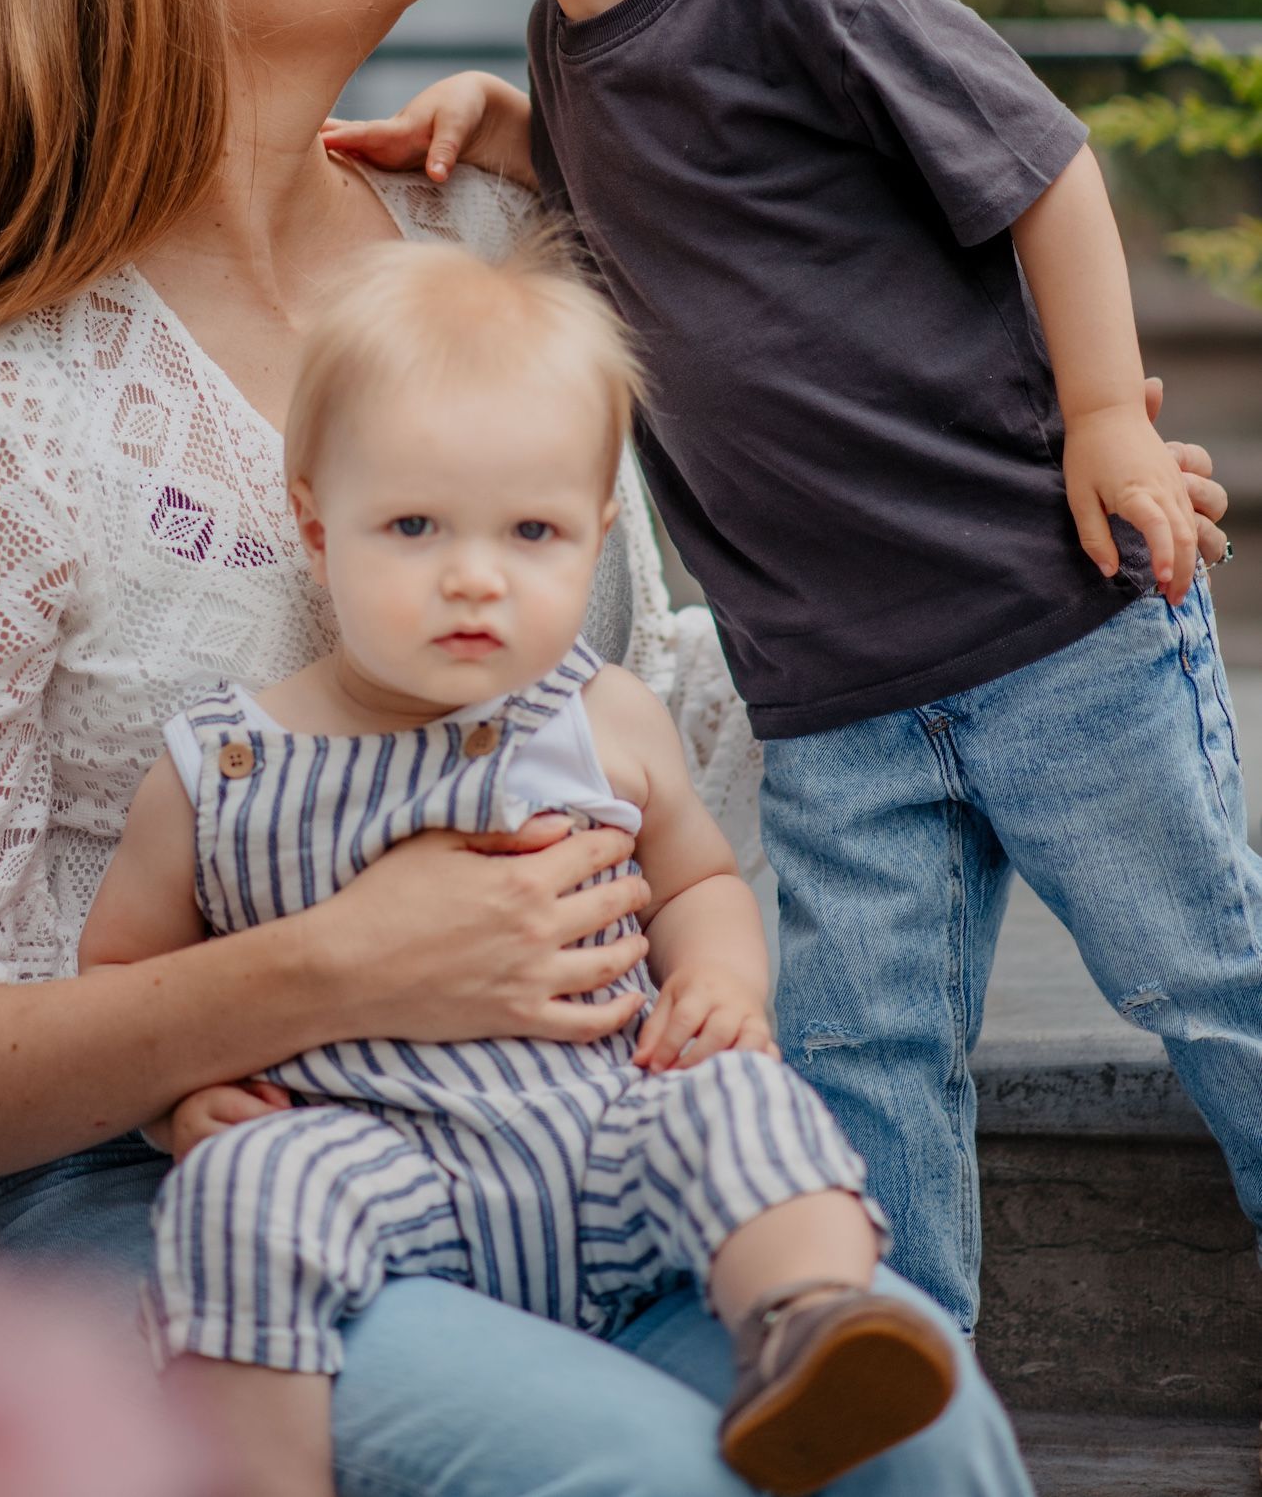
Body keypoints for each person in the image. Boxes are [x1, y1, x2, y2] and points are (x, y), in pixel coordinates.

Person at [0, 0, 1054, 1496]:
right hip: (189, 1187)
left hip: (575, 1134)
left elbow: (678, 662)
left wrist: (1042, 476)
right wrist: (330, 966)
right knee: (651, 1479)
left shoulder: (489, 246)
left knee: (925, 1442)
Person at [326, 0, 1262, 1334]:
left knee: (1199, 968)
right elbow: (682, 218)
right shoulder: (563, 51)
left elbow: (1042, 167)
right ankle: (898, 1368)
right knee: (861, 1053)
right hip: (830, 691)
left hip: (1043, 611)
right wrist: (505, 130)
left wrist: (1101, 417)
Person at [83, 238, 955, 1497]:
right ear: (315, 521)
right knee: (237, 1190)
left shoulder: (604, 717)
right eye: (413, 524)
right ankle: (265, 1470)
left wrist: (721, 981)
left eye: (533, 529)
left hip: (610, 1131)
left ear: (596, 535)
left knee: (740, 1101)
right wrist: (179, 1106)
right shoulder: (221, 763)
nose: (473, 575)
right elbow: (123, 973)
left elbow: (699, 879)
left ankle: (806, 1322)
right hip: (367, 1157)